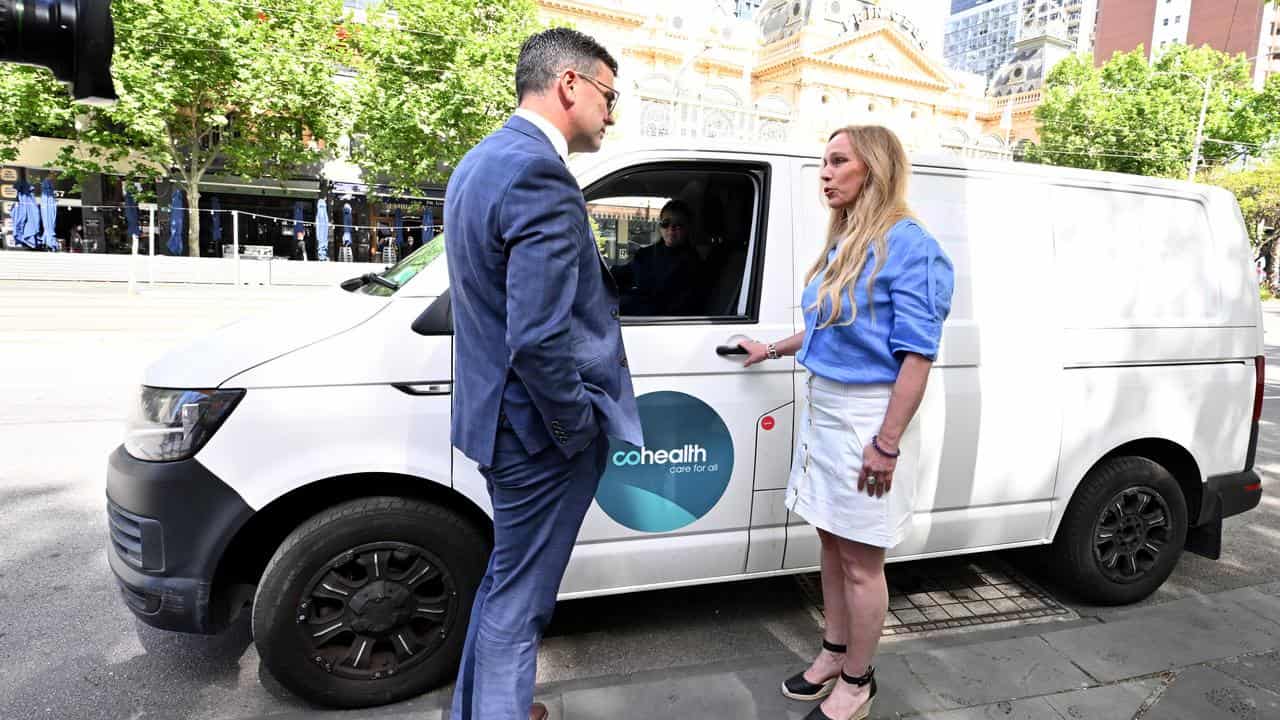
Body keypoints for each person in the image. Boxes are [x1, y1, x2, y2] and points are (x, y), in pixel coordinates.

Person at [443, 27, 642, 720]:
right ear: (569, 85)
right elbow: (536, 337)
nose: (612, 114)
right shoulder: (540, 174)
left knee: (505, 584)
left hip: (500, 424)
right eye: (609, 96)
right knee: (520, 604)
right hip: (536, 436)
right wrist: (574, 428)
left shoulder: (480, 161)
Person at [739, 125, 954, 720]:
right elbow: (831, 324)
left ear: (874, 170)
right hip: (826, 410)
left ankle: (858, 681)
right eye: (823, 162)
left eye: (838, 161)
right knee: (831, 544)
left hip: (868, 420)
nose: (825, 173)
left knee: (862, 563)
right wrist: (773, 349)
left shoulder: (911, 245)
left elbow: (918, 356)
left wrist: (886, 444)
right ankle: (835, 653)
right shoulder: (847, 241)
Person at [615, 199, 704, 315]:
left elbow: (669, 305)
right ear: (660, 225)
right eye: (666, 223)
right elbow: (625, 274)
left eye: (678, 225)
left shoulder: (692, 264)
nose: (671, 229)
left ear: (688, 228)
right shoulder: (646, 254)